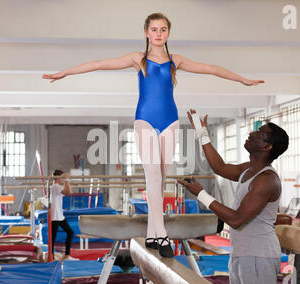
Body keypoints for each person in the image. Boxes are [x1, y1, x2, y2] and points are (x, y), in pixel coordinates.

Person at [43, 13, 264, 257]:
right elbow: (98, 63)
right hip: (145, 120)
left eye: (163, 30)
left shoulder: (175, 61)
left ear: (168, 33)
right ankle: (161, 235)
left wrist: (242, 79)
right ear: (146, 33)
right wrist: (65, 73)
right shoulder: (138, 59)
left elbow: (211, 69)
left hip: (170, 121)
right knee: (152, 175)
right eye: (154, 30)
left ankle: (152, 234)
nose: (158, 34)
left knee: (161, 177)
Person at [178, 109, 289, 284]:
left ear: (267, 146)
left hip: (258, 255)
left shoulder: (267, 180)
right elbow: (219, 167)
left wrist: (201, 194)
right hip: (240, 252)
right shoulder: (250, 169)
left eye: (259, 132)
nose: (251, 133)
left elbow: (237, 219)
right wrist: (201, 133)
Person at [50, 169, 78, 261]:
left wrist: (66, 180)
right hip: (55, 217)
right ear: (58, 177)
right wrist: (67, 180)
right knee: (52, 238)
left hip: (60, 216)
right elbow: (69, 192)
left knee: (70, 232)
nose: (62, 179)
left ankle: (66, 255)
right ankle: (51, 257)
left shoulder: (57, 187)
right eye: (62, 177)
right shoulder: (55, 186)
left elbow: (69, 192)